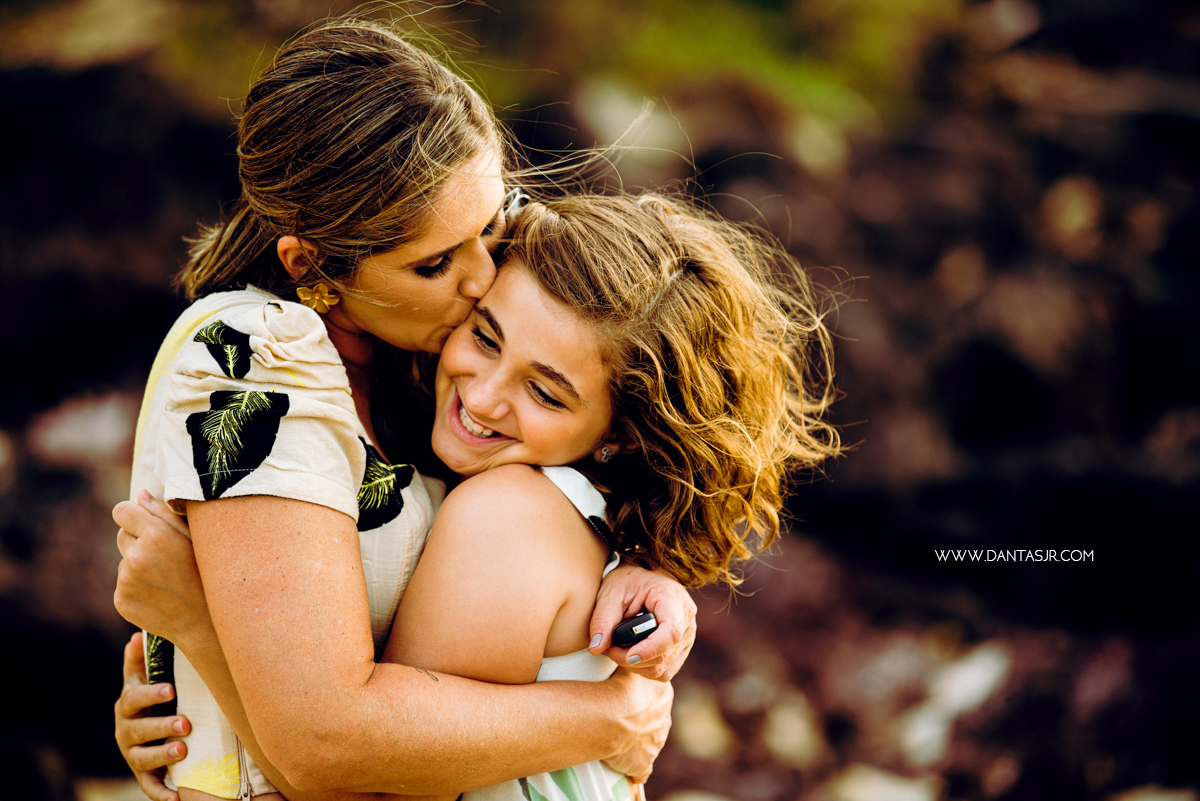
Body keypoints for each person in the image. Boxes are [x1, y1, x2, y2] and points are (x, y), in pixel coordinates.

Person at [111, 17, 694, 801]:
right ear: (312, 263)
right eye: (435, 262)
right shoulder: (257, 360)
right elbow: (324, 747)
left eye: (492, 225)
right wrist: (609, 716)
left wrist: (645, 576)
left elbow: (593, 441)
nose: (482, 278)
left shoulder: (423, 353)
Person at [115, 191, 841, 801]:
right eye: (486, 338)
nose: (485, 397)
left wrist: (201, 624)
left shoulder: (505, 518)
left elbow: (369, 790)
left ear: (619, 435)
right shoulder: (551, 505)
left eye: (546, 392)